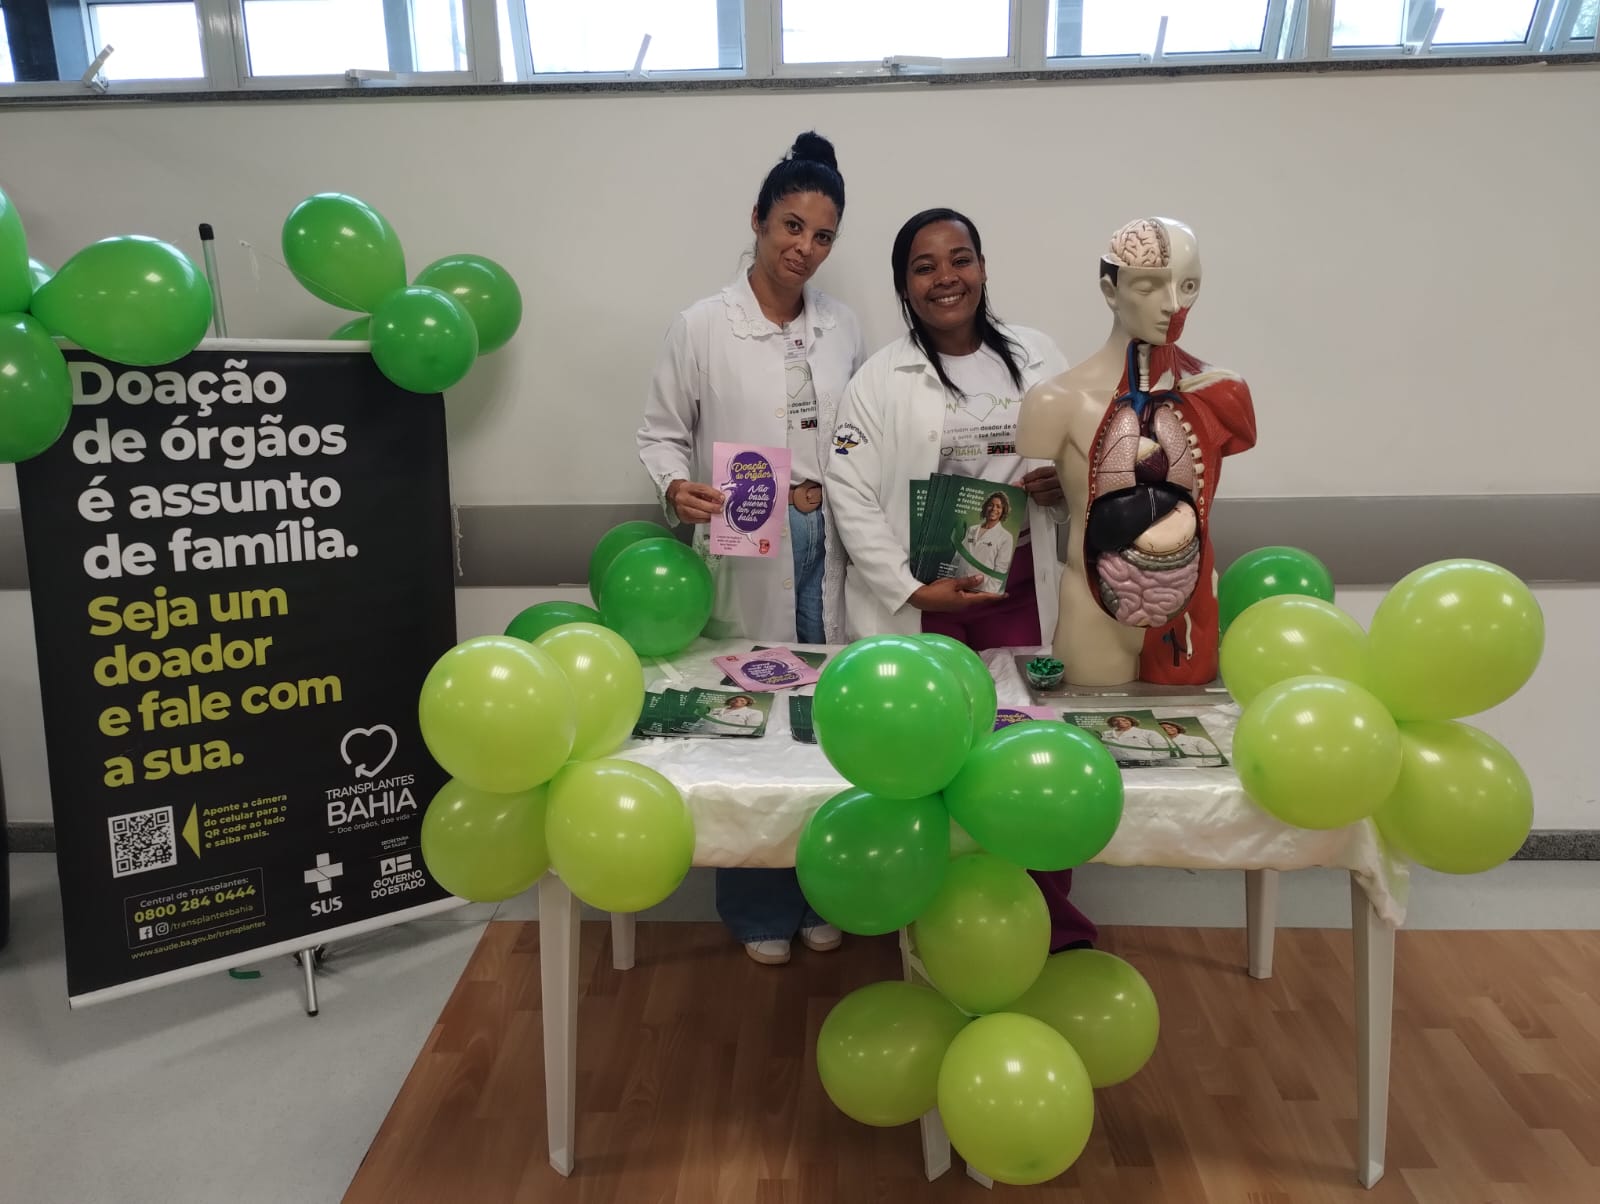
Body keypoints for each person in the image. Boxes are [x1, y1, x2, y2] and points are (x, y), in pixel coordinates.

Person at [825, 206, 1096, 951]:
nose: (946, 278)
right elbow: (848, 490)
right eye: (925, 266)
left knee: (1028, 755)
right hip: (928, 600)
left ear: (982, 267)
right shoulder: (879, 379)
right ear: (904, 286)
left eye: (960, 259)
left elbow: (1085, 453)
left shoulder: (1038, 357)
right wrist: (910, 590)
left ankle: (1049, 925)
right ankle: (941, 931)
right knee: (930, 760)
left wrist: (1062, 484)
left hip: (1018, 595)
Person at [636, 131, 865, 967]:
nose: (805, 248)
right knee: (753, 710)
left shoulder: (842, 327)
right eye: (792, 227)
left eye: (823, 236)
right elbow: (661, 433)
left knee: (826, 713)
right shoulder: (702, 326)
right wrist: (676, 487)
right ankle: (755, 903)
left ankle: (822, 885)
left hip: (829, 535)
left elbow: (859, 436)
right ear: (759, 220)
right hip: (748, 535)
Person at [960, 491, 1016, 593]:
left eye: (998, 506)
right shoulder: (972, 529)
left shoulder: (1006, 537)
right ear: (986, 507)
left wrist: (987, 593)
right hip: (959, 584)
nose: (994, 509)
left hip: (981, 590)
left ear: (1003, 511)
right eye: (991, 505)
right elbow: (959, 555)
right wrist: (952, 580)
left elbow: (1000, 570)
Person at [1100, 714, 1175, 762]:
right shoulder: (1105, 734)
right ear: (1112, 723)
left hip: (1145, 766)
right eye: (1115, 721)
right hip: (1117, 765)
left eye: (1124, 720)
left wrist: (1152, 761)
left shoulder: (1148, 733)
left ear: (1131, 721)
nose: (1120, 722)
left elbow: (1163, 749)